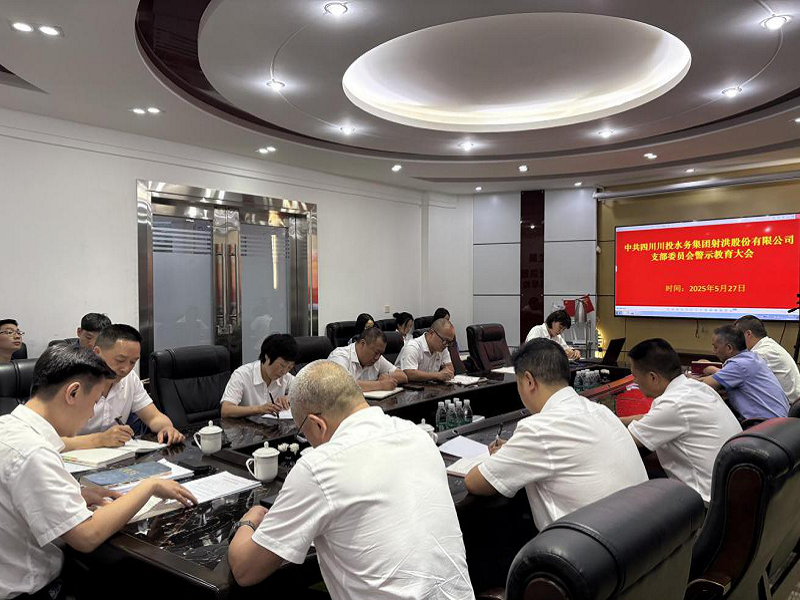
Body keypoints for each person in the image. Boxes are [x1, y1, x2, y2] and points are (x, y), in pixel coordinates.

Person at [227, 361, 474, 598]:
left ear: (317, 424)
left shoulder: (319, 467)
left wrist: (249, 520)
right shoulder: (418, 436)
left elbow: (245, 570)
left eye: (303, 432)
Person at [0, 345, 197, 600]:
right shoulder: (34, 452)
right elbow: (86, 536)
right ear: (73, 392)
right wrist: (149, 486)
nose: (92, 413)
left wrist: (79, 494)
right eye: (93, 402)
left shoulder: (8, 427)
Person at [465, 339, 647, 530]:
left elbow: (475, 482)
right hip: (639, 536)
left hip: (587, 544)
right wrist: (514, 450)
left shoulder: (538, 428)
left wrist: (507, 454)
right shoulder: (601, 411)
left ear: (529, 381)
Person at [621, 338, 741, 502]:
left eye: (635, 376)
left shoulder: (673, 404)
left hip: (705, 503)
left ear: (653, 378)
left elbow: (624, 441)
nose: (634, 381)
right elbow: (651, 418)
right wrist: (617, 419)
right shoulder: (696, 388)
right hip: (729, 491)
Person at [61, 324, 185, 451]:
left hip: (117, 456)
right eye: (120, 360)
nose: (126, 369)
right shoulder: (71, 382)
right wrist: (100, 439)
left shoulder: (130, 379)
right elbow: (52, 442)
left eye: (133, 362)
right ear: (97, 353)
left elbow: (153, 417)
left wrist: (167, 428)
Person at [696, 324, 789, 421]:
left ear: (729, 348)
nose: (713, 351)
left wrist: (690, 379)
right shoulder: (752, 357)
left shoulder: (738, 365)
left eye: (715, 347)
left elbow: (705, 385)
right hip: (782, 423)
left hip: (765, 425)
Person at [221, 334, 298, 418]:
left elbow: (305, 392)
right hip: (246, 425)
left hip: (274, 425)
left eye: (289, 367)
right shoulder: (242, 375)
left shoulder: (285, 377)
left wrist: (289, 397)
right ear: (267, 356)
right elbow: (226, 410)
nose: (284, 371)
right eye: (282, 365)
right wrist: (259, 409)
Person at [735, 315, 800, 404]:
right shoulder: (767, 345)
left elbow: (735, 375)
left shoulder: (762, 353)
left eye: (737, 337)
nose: (735, 341)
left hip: (787, 407)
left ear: (748, 334)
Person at [328, 327, 408, 391]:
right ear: (363, 344)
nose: (377, 357)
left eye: (380, 354)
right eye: (376, 352)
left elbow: (403, 376)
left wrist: (387, 376)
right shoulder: (340, 356)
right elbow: (341, 384)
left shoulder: (377, 358)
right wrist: (380, 384)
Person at [396, 318, 456, 382]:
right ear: (431, 333)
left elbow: (450, 368)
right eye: (445, 340)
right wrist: (437, 375)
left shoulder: (442, 347)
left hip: (427, 386)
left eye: (449, 342)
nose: (446, 345)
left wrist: (446, 373)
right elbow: (409, 373)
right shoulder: (412, 347)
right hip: (407, 386)